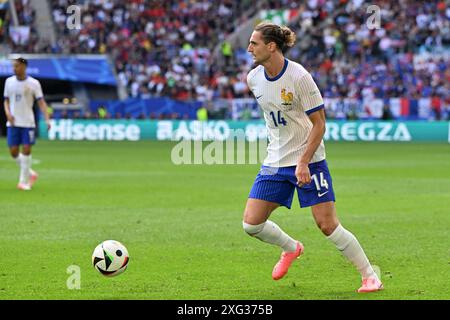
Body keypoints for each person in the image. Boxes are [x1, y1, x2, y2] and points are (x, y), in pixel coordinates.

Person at [243, 22, 383, 293]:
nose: (249, 48)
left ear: (271, 46)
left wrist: (304, 161)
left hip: (310, 160)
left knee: (327, 224)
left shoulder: (299, 77)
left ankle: (370, 276)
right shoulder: (254, 78)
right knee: (251, 224)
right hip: (275, 162)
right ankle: (291, 248)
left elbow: (319, 124)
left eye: (254, 43)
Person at [3, 57, 51, 190]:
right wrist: (8, 113)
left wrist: (47, 119)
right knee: (13, 151)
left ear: (24, 67)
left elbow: (41, 102)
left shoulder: (34, 83)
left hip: (28, 122)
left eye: (17, 66)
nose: (14, 68)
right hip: (13, 122)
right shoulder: (9, 82)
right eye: (13, 66)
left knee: (27, 149)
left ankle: (23, 182)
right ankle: (31, 173)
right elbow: (6, 100)